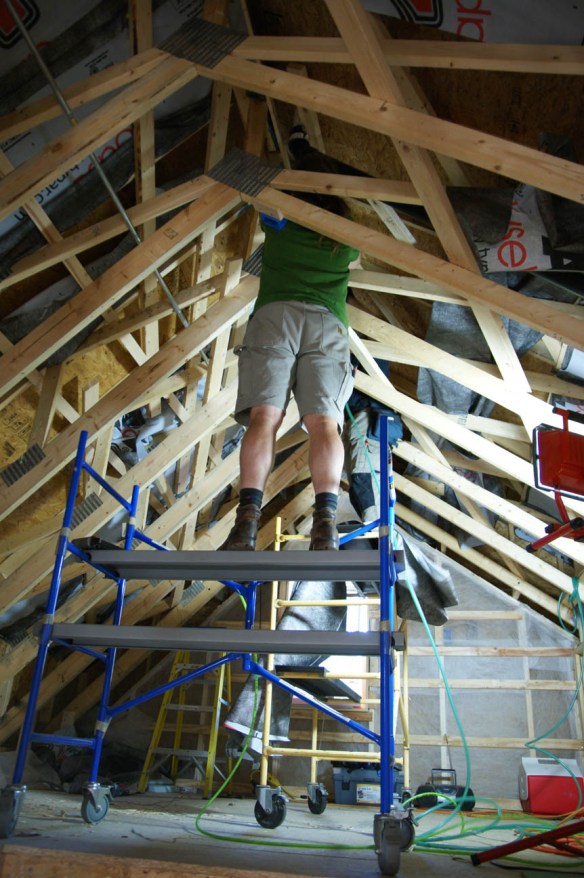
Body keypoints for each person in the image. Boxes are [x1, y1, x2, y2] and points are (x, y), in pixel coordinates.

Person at [221, 128, 360, 552]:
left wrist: (285, 156)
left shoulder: (281, 217)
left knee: (265, 418)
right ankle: (326, 528)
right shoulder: (346, 237)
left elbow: (254, 185)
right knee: (325, 424)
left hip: (276, 316)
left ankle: (246, 526)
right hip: (326, 324)